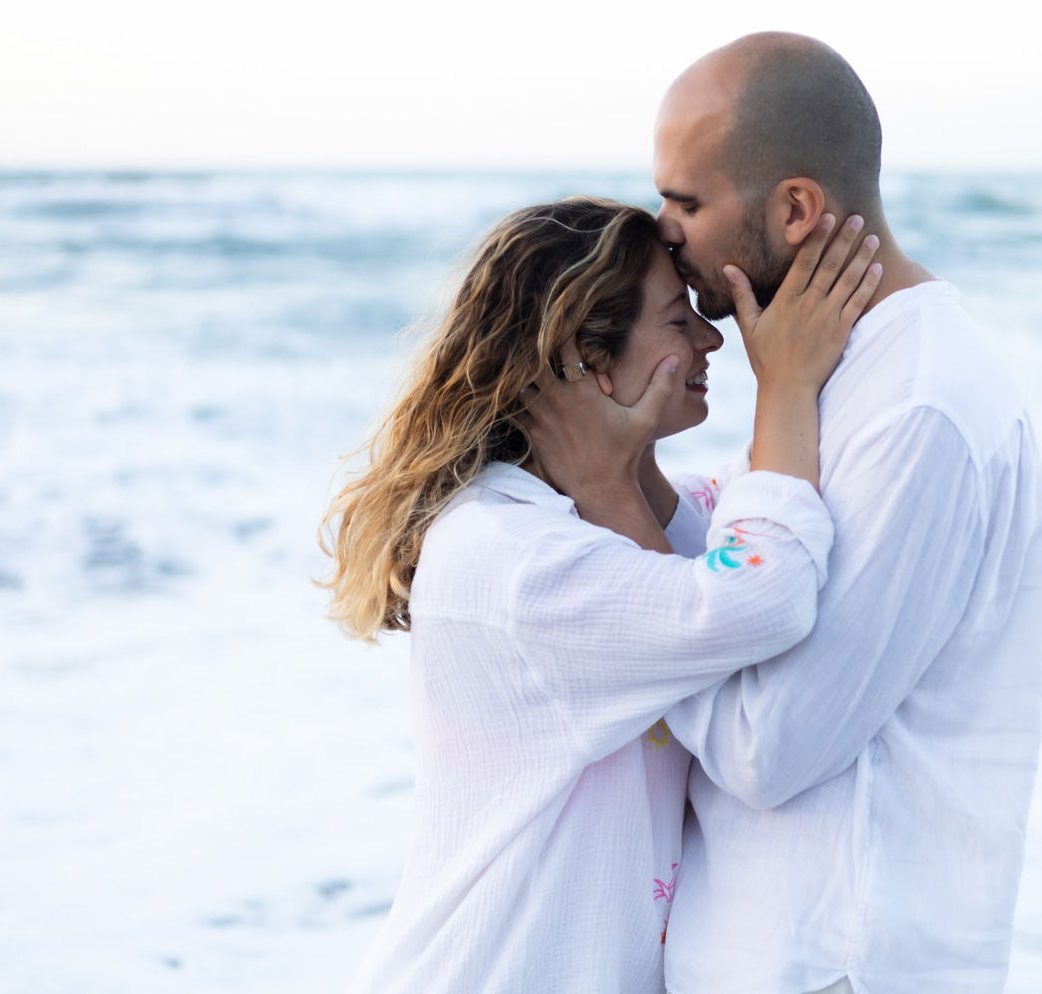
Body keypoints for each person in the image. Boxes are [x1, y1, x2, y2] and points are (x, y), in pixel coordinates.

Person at [547, 33, 1042, 993]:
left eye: (686, 202)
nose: (662, 231)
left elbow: (765, 747)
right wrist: (630, 476)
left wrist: (615, 507)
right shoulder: (830, 370)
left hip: (835, 965)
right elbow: (751, 595)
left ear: (794, 210)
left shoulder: (918, 408)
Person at [320, 197, 882, 993]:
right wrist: (784, 387)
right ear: (588, 359)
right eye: (678, 320)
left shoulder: (588, 520)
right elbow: (762, 597)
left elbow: (726, 538)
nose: (712, 338)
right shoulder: (510, 551)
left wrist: (623, 469)